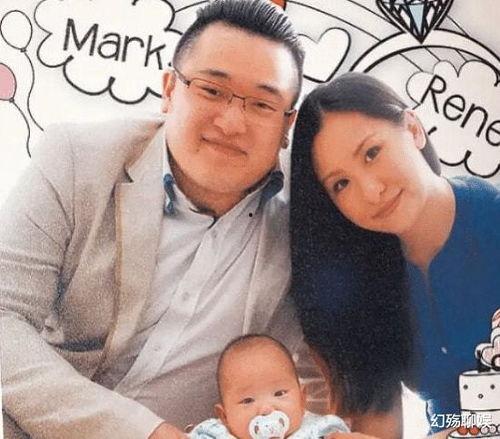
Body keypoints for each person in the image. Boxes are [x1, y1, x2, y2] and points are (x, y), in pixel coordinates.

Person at [0, 1, 308, 438]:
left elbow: (329, 366)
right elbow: (5, 318)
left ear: (287, 125)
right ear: (169, 89)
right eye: (212, 90)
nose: (231, 122)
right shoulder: (76, 160)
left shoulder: (310, 215)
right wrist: (143, 432)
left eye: (262, 104)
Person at [289, 72, 500, 438]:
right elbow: (377, 423)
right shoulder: (362, 280)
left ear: (413, 129)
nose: (371, 191)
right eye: (341, 184)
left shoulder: (492, 219)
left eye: (372, 153)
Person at [189, 334, 350, 439]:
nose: (266, 409)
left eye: (279, 393)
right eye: (248, 401)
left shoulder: (320, 430)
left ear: (302, 400)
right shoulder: (214, 434)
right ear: (224, 416)